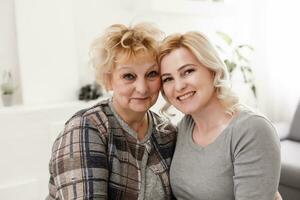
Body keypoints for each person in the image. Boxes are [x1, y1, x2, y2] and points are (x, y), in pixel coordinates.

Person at [46, 23, 177, 200]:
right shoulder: (86, 128)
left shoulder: (166, 132)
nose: (142, 88)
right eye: (128, 76)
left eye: (151, 74)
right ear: (108, 80)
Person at [158, 31, 281, 200]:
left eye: (187, 71)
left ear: (212, 69)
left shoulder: (252, 130)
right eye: (167, 79)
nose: (178, 86)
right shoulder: (185, 126)